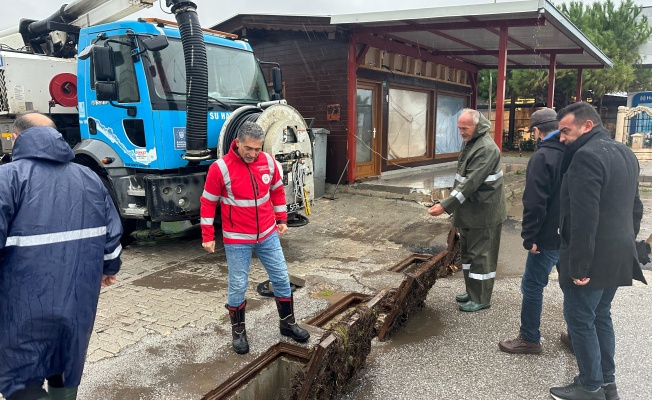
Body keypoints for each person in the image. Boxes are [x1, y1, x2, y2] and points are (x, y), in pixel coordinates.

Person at [0, 113, 123, 400]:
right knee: (66, 363)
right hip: (77, 300)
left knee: (19, 378)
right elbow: (112, 236)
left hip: (21, 305)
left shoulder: (8, 177)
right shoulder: (89, 177)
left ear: (17, 138)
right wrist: (109, 267)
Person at [549, 102, 646, 400]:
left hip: (592, 258)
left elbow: (583, 218)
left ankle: (589, 386)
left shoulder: (586, 157)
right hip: (618, 254)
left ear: (587, 126)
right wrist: (627, 243)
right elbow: (636, 208)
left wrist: (579, 266)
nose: (561, 138)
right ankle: (607, 383)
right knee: (600, 315)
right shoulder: (624, 152)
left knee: (580, 319)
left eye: (566, 131)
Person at [200, 121, 310, 354]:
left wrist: (281, 219)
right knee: (238, 284)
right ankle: (239, 333)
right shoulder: (220, 168)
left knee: (281, 277)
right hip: (237, 238)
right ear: (238, 142)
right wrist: (207, 235)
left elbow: (277, 191)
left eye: (257, 149)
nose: (252, 154)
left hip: (268, 234)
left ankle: (288, 324)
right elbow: (208, 202)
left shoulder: (269, 162)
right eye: (248, 148)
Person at [499, 108, 565, 354]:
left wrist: (530, 237)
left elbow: (535, 201)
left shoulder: (543, 157)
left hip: (547, 237)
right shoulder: (575, 152)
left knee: (533, 286)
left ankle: (529, 337)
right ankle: (575, 333)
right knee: (570, 286)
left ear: (537, 131)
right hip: (571, 235)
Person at [429, 109, 507, 312]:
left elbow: (471, 183)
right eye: (459, 128)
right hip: (471, 210)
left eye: (465, 128)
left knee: (481, 256)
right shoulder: (471, 142)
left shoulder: (485, 149)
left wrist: (445, 205)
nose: (461, 132)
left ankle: (481, 297)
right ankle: (472, 291)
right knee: (469, 254)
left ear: (477, 126)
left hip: (484, 212)